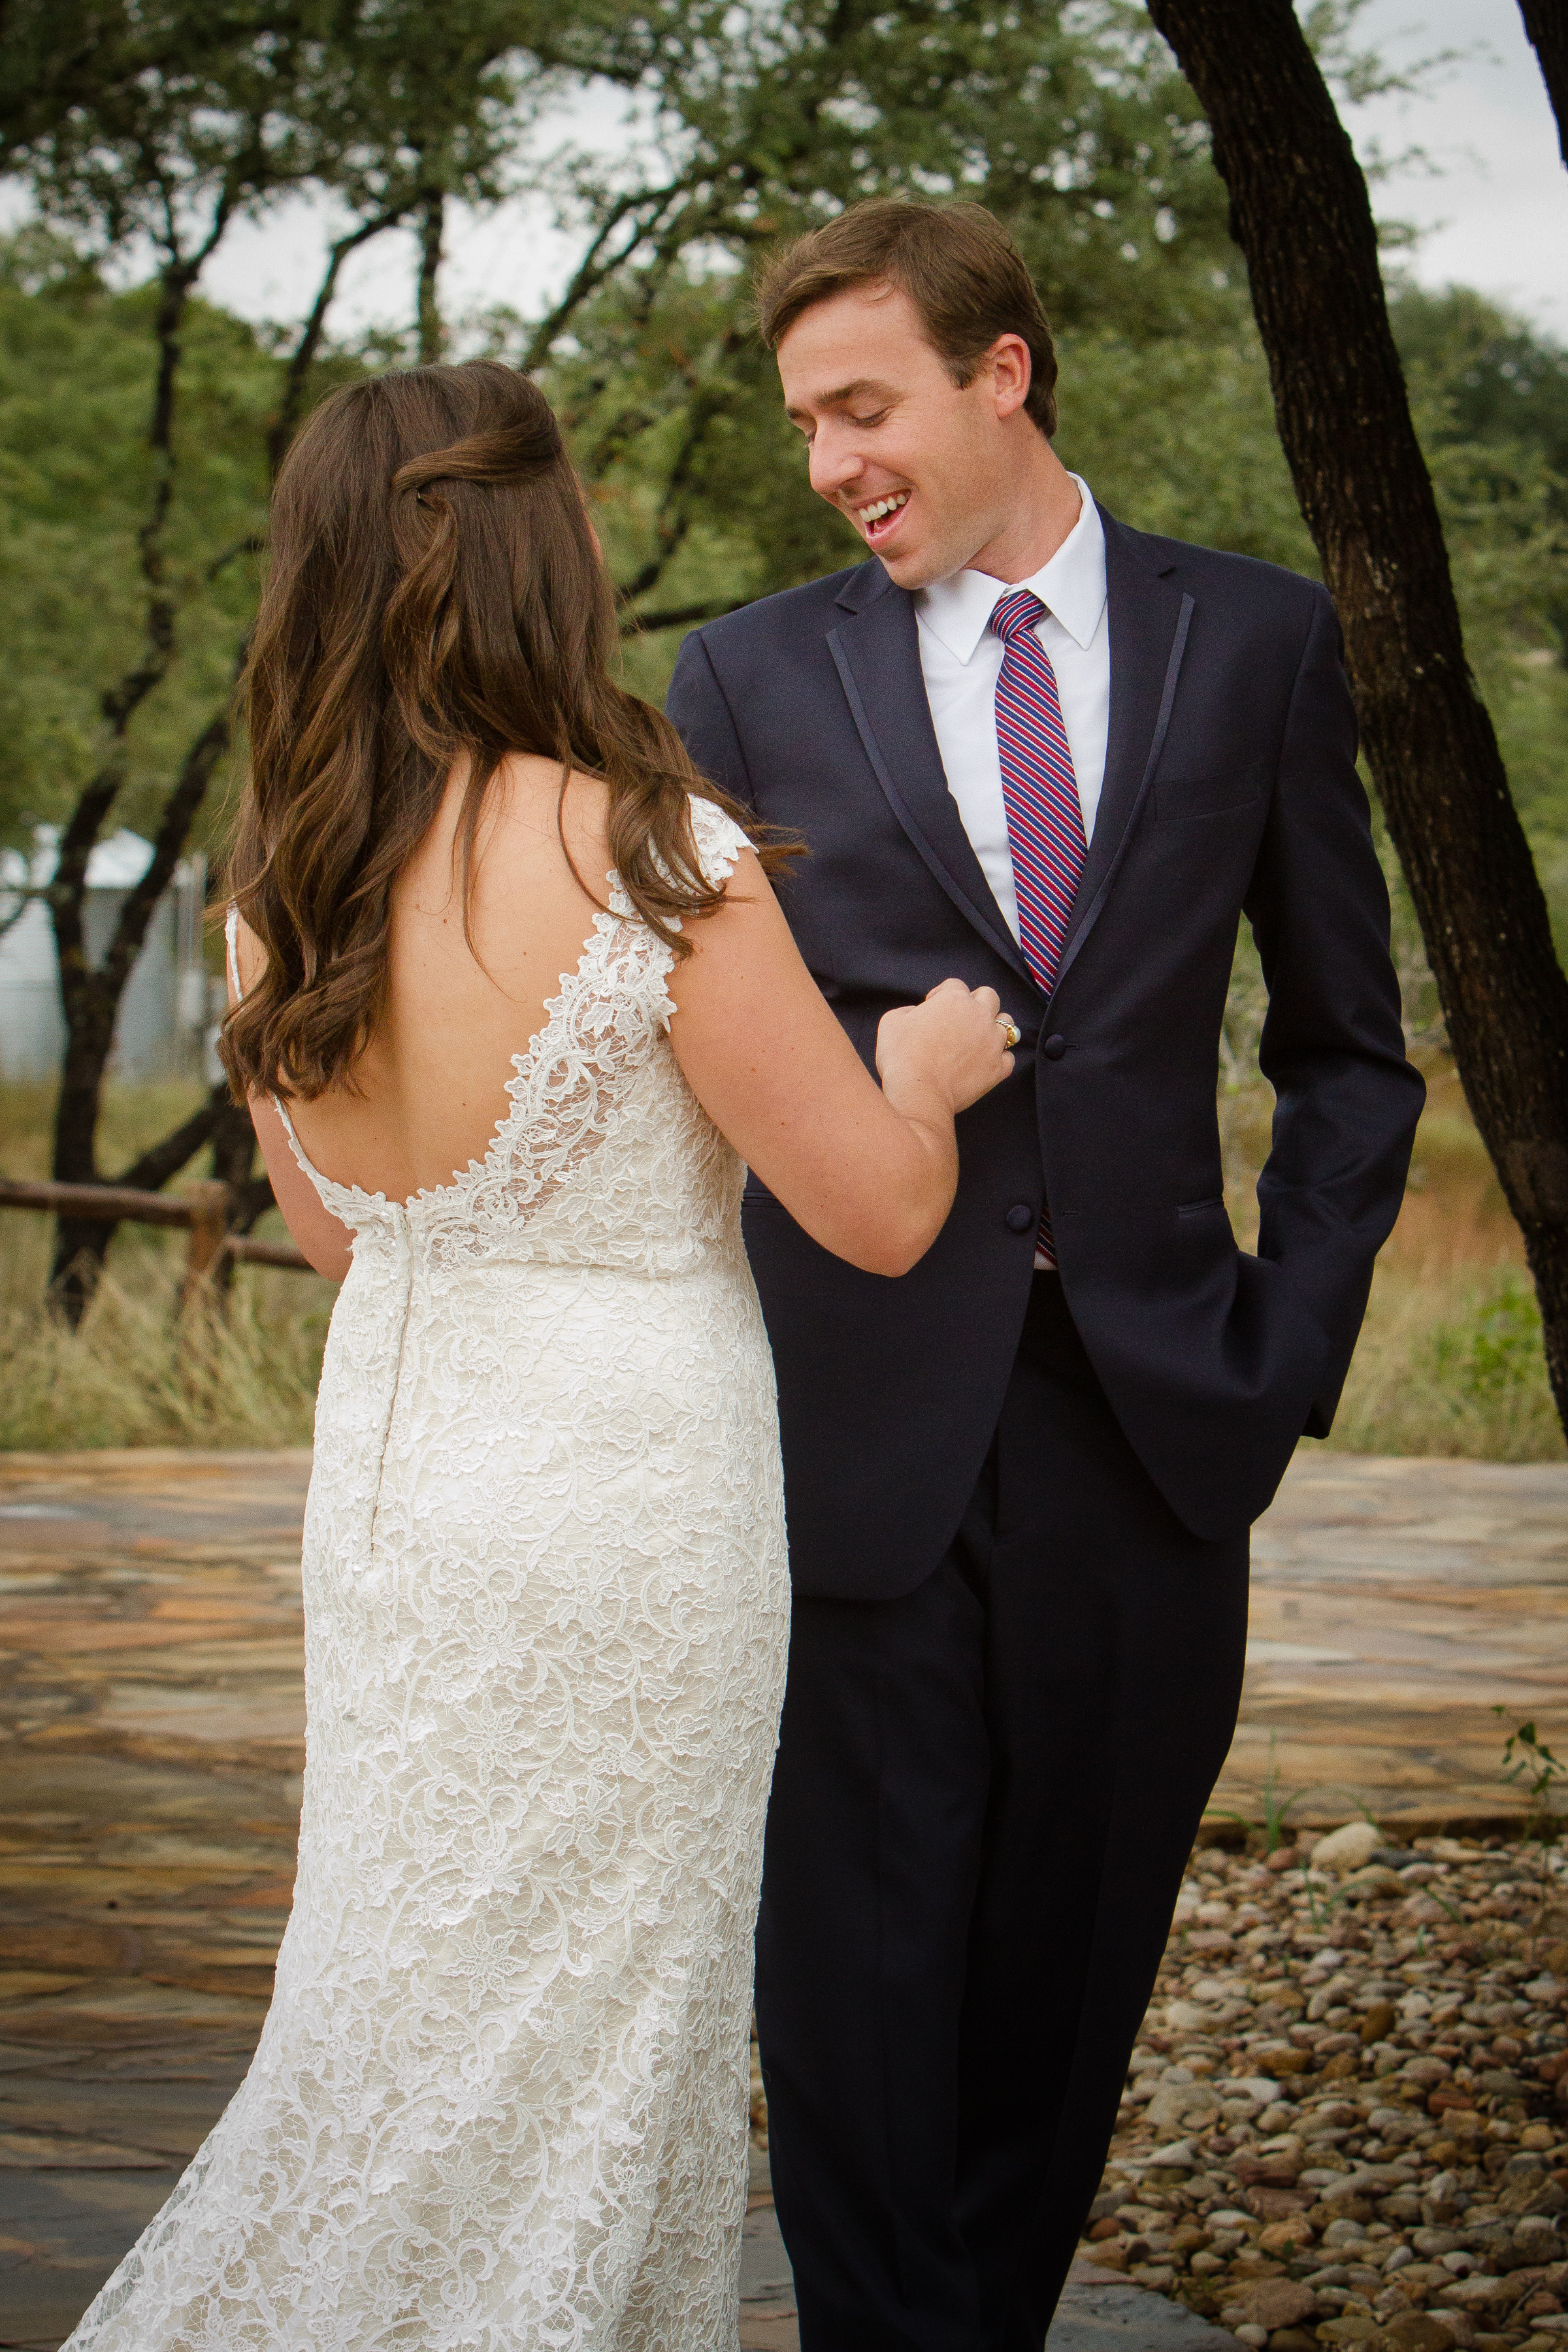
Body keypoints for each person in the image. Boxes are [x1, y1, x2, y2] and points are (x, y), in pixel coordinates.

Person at [61, 359, 1012, 2352]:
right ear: (528, 554)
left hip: (401, 1503)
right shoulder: (648, 849)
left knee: (398, 1989)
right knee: (602, 2023)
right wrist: (920, 1077)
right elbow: (875, 1213)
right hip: (625, 1512)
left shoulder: (280, 891)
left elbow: (344, 1235)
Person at [666, 199, 1426, 2351]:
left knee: (1065, 1974)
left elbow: (1350, 1051)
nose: (832, 461)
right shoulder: (744, 675)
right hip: (859, 1417)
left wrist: (1283, 1343)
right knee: (855, 1978)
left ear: (1003, 372)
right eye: (807, 423)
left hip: (1159, 1417)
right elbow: (701, 1055)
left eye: (864, 406)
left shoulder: (1254, 640)